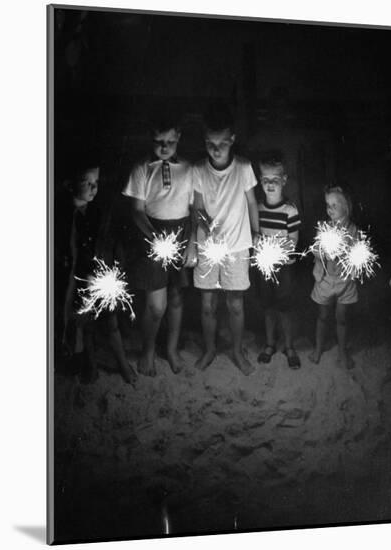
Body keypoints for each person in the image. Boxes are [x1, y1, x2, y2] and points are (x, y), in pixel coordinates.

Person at [122, 113, 196, 377]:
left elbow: (194, 209)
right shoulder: (142, 167)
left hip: (181, 233)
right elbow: (137, 211)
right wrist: (153, 238)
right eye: (158, 141)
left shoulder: (189, 169)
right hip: (152, 234)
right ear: (149, 138)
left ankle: (172, 349)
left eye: (170, 142)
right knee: (156, 305)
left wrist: (192, 244)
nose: (164, 147)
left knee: (176, 298)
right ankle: (148, 349)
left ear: (179, 139)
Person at [192, 104, 260, 376]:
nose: (216, 149)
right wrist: (205, 223)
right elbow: (196, 207)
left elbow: (252, 203)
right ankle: (209, 349)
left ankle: (236, 350)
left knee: (235, 303)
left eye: (221, 143)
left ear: (232, 139)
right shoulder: (199, 169)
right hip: (208, 248)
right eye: (210, 143)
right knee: (207, 303)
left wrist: (256, 236)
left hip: (238, 244)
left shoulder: (243, 167)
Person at [55, 159, 135, 384]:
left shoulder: (97, 213)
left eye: (96, 182)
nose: (93, 188)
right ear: (70, 184)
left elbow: (106, 243)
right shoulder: (60, 215)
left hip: (100, 276)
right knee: (83, 323)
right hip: (74, 281)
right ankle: (87, 363)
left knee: (111, 320)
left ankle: (122, 363)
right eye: (86, 182)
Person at [255, 157, 302, 369]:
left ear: (284, 180)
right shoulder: (257, 208)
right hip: (265, 268)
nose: (270, 184)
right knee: (268, 306)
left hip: (284, 268)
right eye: (265, 179)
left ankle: (290, 346)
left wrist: (273, 250)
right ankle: (270, 344)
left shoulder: (290, 211)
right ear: (259, 180)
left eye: (275, 179)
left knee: (286, 307)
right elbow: (255, 237)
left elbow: (293, 242)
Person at [309, 186, 358, 369]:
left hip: (345, 282)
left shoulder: (353, 230)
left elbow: (359, 256)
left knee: (342, 317)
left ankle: (343, 352)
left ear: (346, 207)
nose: (330, 209)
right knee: (322, 316)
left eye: (335, 205)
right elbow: (315, 249)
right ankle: (319, 348)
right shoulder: (324, 228)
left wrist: (344, 254)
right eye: (328, 205)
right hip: (325, 280)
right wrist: (323, 252)